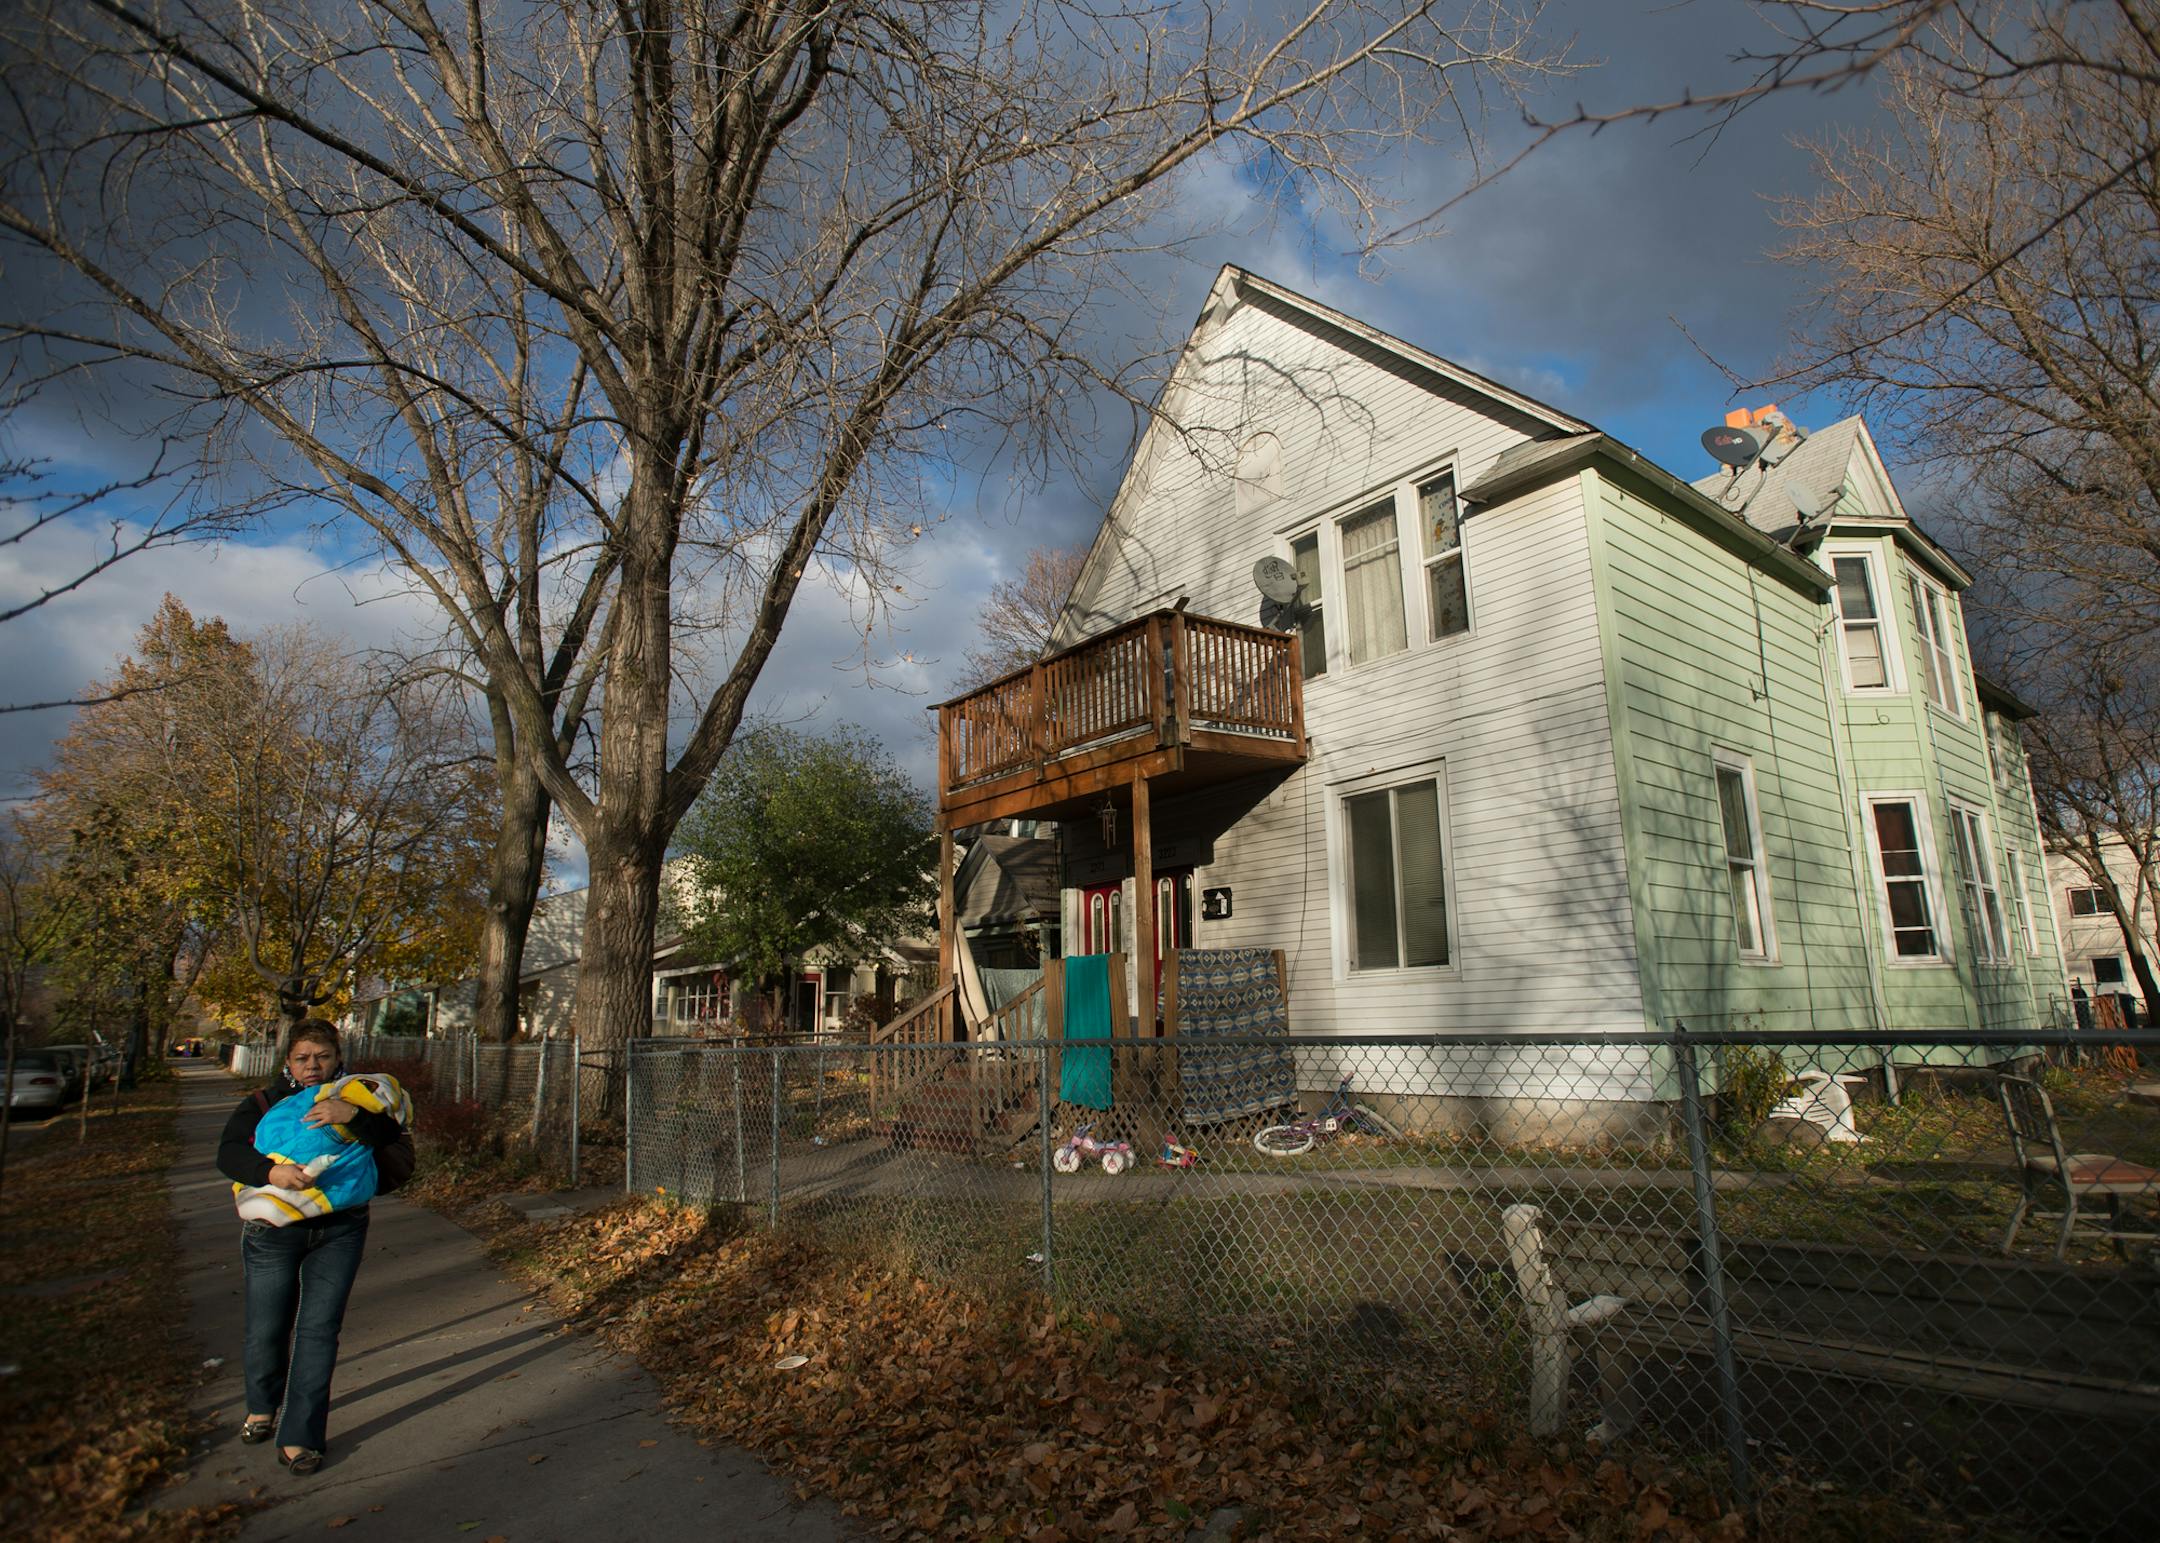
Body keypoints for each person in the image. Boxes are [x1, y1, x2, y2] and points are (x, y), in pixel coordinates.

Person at [215, 1021, 402, 1474]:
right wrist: (270, 1172)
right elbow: (228, 1153)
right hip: (272, 1232)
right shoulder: (262, 1103)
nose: (313, 1066)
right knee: (266, 1327)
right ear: (289, 1062)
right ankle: (261, 1407)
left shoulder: (357, 1097)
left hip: (341, 1228)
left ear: (338, 1057)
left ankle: (301, 1437)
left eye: (322, 1056)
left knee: (319, 1330)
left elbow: (392, 1137)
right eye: (303, 1058)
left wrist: (352, 1116)